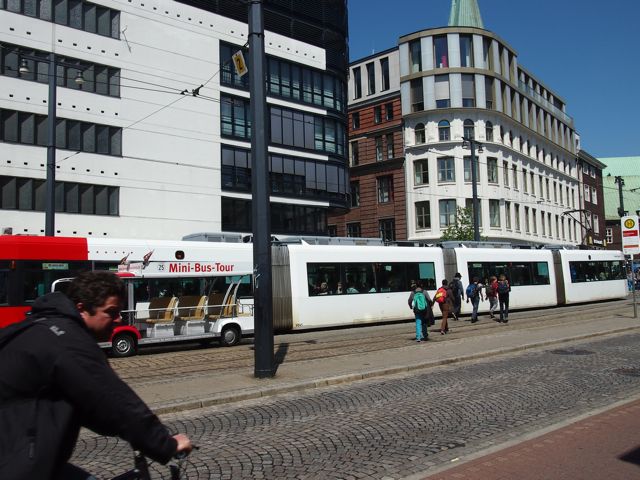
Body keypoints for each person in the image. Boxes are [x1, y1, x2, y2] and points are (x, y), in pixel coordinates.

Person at [0, 271, 192, 480]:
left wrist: (124, 429)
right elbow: (114, 398)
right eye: (111, 312)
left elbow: (92, 404)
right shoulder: (69, 340)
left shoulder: (37, 326)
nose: (118, 319)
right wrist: (165, 443)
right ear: (81, 308)